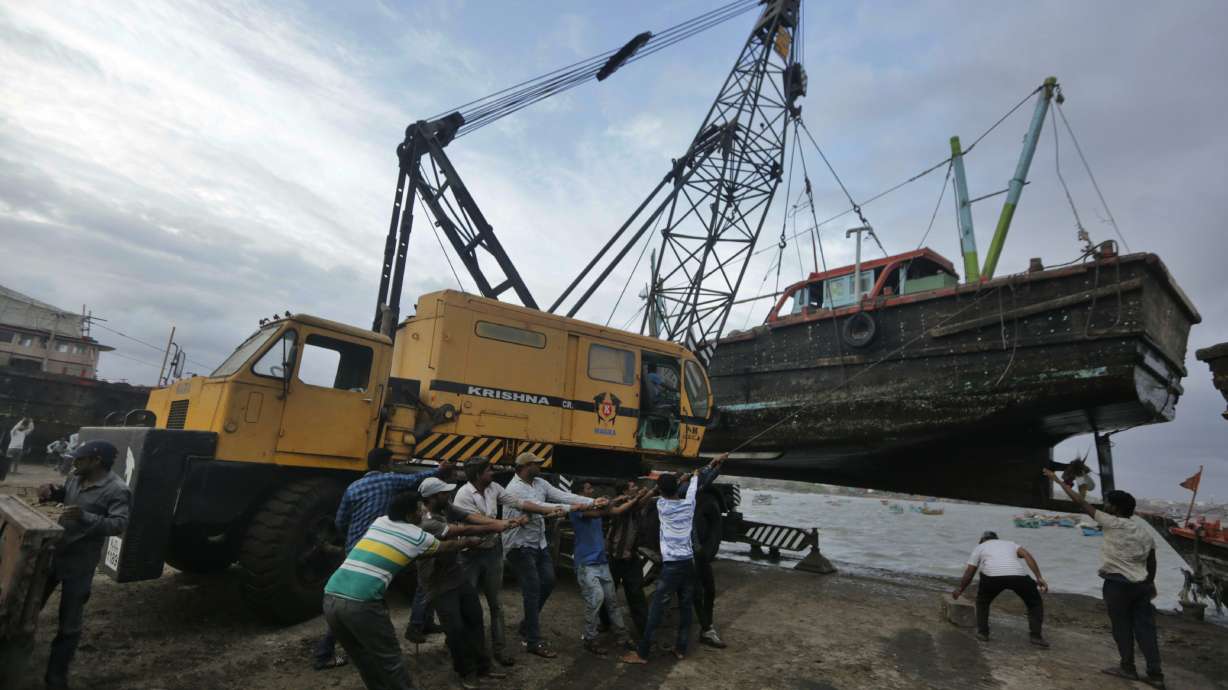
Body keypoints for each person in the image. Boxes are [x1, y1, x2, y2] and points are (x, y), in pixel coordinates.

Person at [323, 490, 479, 690]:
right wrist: (469, 541)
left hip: (331, 596)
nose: (423, 512)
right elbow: (445, 547)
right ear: (409, 515)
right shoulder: (417, 536)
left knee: (364, 659)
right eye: (419, 509)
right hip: (362, 604)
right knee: (391, 662)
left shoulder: (380, 521)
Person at [314, 449, 454, 671]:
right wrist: (441, 470)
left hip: (356, 549)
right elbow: (416, 478)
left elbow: (341, 522)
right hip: (382, 549)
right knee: (369, 600)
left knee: (355, 597)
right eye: (392, 462)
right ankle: (328, 652)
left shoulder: (353, 487)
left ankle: (336, 649)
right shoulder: (389, 480)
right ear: (385, 464)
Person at [1045, 469, 1164, 688]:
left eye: (1107, 503)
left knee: (1122, 626)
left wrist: (1057, 480)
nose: (1104, 505)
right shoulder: (1143, 531)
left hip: (1117, 585)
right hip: (1141, 586)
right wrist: (1150, 583)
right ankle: (1155, 674)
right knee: (1146, 629)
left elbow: (1080, 502)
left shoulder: (1110, 522)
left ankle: (1127, 668)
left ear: (1115, 508)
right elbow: (1152, 560)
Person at [35, 440, 131, 690]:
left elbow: (119, 524)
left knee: (69, 625)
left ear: (96, 461)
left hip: (80, 563)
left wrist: (85, 516)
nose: (74, 462)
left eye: (79, 458)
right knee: (29, 607)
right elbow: (67, 497)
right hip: (54, 553)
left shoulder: (117, 489)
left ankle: (56, 678)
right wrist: (52, 492)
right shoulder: (75, 478)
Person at [453, 455, 566, 666]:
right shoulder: (464, 495)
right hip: (470, 554)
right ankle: (467, 648)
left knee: (496, 605)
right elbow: (477, 523)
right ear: (478, 474)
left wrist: (548, 509)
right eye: (489, 470)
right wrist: (508, 523)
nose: (492, 473)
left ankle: (500, 650)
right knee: (468, 604)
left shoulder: (494, 488)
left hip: (492, 550)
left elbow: (518, 502)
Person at [622, 453, 726, 665]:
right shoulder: (689, 503)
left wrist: (681, 479)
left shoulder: (661, 505)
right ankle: (680, 648)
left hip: (672, 566)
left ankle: (642, 653)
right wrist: (710, 467)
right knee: (687, 605)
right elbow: (697, 484)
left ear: (661, 490)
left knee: (657, 608)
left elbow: (663, 490)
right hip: (689, 562)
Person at [417, 476, 519, 689]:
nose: (449, 496)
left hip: (457, 576)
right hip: (438, 583)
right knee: (454, 629)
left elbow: (468, 517)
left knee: (475, 618)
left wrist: (497, 523)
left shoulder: (445, 509)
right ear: (434, 497)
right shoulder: (427, 521)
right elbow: (463, 530)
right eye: (445, 493)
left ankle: (484, 666)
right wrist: (495, 527)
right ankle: (466, 672)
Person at [502, 451, 604, 658]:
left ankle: (526, 625)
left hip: (537, 544)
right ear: (525, 466)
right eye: (536, 464)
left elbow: (563, 495)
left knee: (548, 582)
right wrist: (572, 507)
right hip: (519, 546)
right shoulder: (512, 489)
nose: (540, 467)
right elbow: (540, 508)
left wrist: (592, 501)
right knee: (532, 589)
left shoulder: (540, 483)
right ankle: (533, 640)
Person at [569, 481, 634, 656]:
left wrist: (636, 498)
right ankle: (590, 638)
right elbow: (601, 511)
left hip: (600, 562)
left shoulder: (595, 508)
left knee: (611, 600)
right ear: (579, 493)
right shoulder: (576, 509)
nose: (592, 491)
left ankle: (622, 635)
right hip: (586, 564)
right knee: (596, 599)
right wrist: (617, 499)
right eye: (588, 488)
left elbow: (618, 511)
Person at [952, 531, 1049, 646]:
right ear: (997, 539)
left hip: (992, 577)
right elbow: (1027, 555)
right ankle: (1036, 636)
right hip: (1018, 576)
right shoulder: (1010, 544)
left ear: (982, 540)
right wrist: (1039, 577)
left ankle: (983, 633)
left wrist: (960, 589)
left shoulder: (980, 547)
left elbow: (970, 571)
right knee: (1034, 602)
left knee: (983, 602)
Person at [600, 482, 656, 639]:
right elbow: (618, 510)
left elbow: (643, 500)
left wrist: (650, 491)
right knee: (608, 593)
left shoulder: (635, 504)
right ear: (624, 491)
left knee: (636, 595)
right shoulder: (616, 504)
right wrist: (637, 496)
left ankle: (644, 632)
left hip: (630, 558)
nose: (636, 488)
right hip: (614, 558)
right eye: (633, 487)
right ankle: (604, 623)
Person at [692, 482, 727, 648]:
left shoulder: (676, 506)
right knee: (697, 593)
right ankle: (705, 629)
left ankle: (706, 629)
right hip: (689, 557)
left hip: (695, 555)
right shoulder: (674, 507)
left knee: (704, 591)